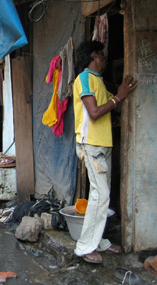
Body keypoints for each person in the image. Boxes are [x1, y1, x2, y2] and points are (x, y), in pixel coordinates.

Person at [73, 41, 138, 264]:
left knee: (99, 196)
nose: (105, 59)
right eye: (102, 55)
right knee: (101, 196)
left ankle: (97, 240)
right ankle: (84, 247)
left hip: (102, 145)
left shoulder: (97, 80)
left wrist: (123, 92)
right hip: (91, 145)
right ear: (94, 55)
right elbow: (94, 112)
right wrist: (118, 96)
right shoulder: (84, 78)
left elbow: (114, 103)